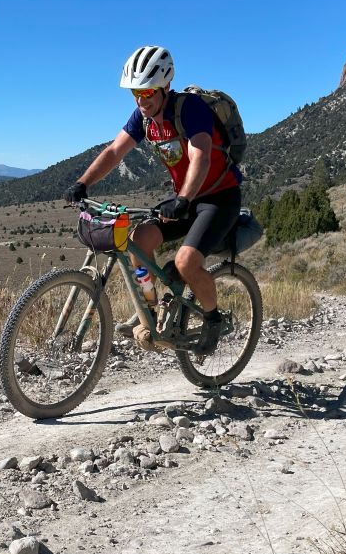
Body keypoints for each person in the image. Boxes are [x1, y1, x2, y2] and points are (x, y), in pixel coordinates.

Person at [64, 45, 242, 355]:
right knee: (139, 238)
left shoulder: (189, 109)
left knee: (187, 262)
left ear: (165, 87)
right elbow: (114, 151)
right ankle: (152, 311)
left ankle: (213, 319)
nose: (140, 100)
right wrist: (82, 182)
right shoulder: (143, 117)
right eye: (135, 92)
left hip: (218, 197)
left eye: (147, 93)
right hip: (185, 198)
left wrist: (183, 198)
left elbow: (199, 154)